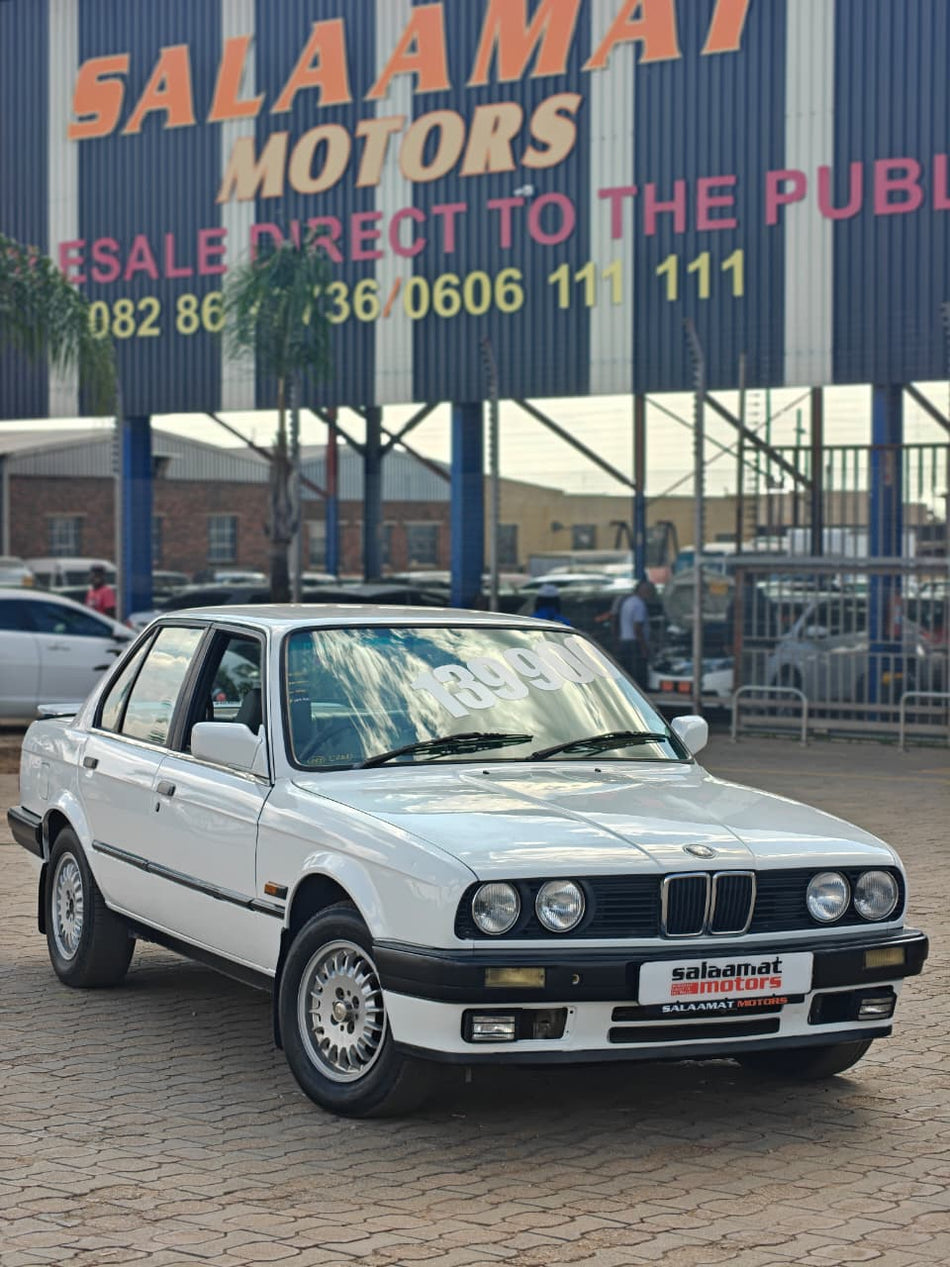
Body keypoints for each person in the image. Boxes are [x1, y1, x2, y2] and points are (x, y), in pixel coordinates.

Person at [617, 579, 652, 687]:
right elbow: (638, 628)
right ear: (642, 591)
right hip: (635, 643)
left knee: (628, 672)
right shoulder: (639, 605)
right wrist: (644, 648)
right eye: (648, 591)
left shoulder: (627, 602)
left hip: (625, 641)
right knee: (638, 675)